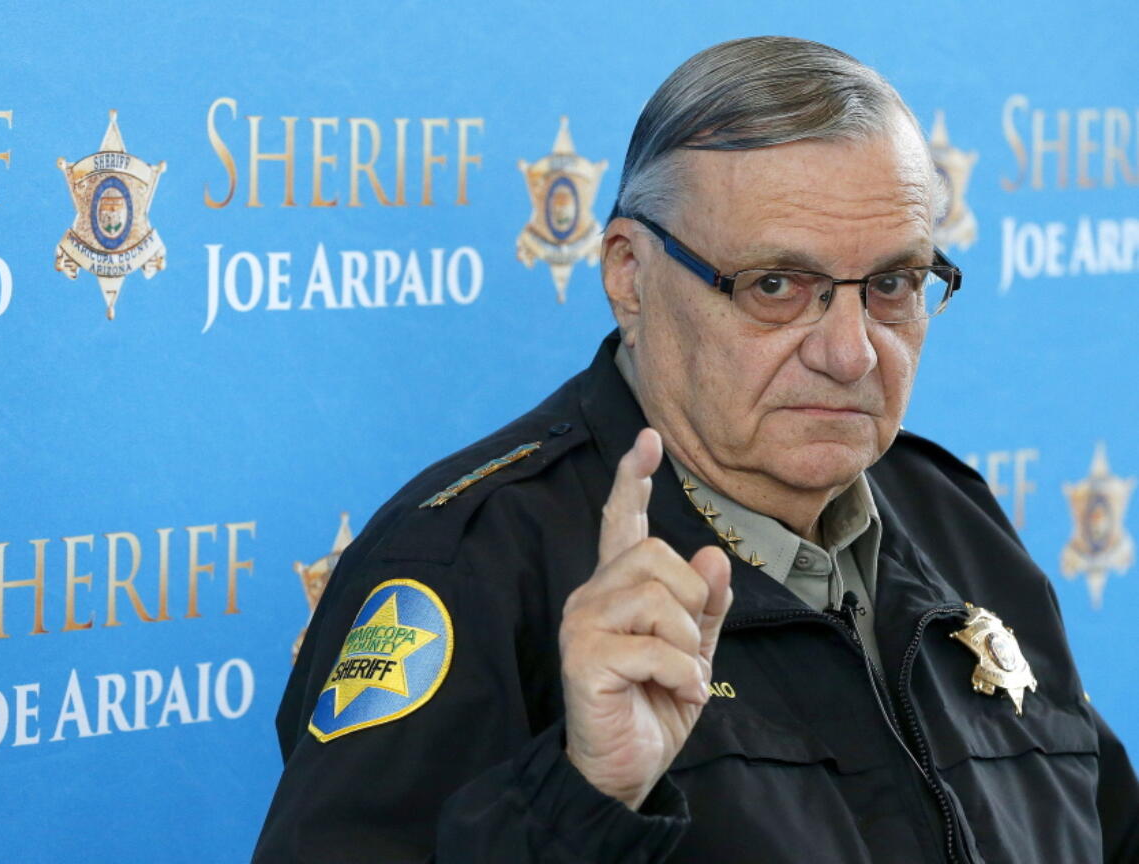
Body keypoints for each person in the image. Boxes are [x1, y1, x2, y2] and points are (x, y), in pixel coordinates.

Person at [253, 36, 1139, 863]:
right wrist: (586, 795)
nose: (852, 352)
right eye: (777, 285)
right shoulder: (470, 565)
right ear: (629, 278)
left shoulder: (956, 517)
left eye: (893, 284)